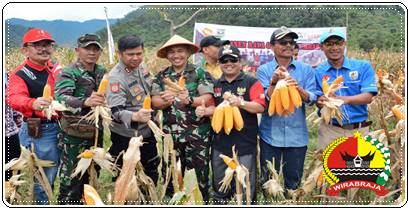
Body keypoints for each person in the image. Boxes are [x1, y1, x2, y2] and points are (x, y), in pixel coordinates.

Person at [199, 44, 265, 203]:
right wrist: (204, 111)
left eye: (232, 60)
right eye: (224, 60)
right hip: (220, 143)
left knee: (245, 187)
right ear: (219, 63)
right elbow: (214, 108)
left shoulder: (251, 82)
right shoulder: (215, 84)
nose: (228, 63)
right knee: (221, 187)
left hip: (245, 144)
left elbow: (260, 106)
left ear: (240, 62)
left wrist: (241, 103)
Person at [151, 35, 214, 200]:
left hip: (197, 135)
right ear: (167, 55)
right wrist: (165, 101)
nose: (176, 55)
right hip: (170, 136)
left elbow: (206, 98)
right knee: (171, 175)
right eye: (171, 52)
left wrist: (190, 100)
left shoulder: (199, 73)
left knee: (199, 176)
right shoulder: (161, 76)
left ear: (187, 53)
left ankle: (201, 202)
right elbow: (155, 101)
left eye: (180, 51)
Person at [256, 26, 317, 192]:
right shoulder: (264, 70)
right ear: (272, 46)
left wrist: (299, 89)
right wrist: (274, 83)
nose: (289, 45)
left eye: (292, 42)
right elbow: (264, 101)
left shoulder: (305, 70)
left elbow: (312, 98)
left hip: (297, 136)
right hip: (270, 135)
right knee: (268, 182)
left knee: (293, 183)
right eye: (283, 42)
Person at [6, 28, 62, 204]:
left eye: (47, 45)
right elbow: (13, 97)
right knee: (44, 177)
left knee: (53, 172)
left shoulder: (56, 69)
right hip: (40, 129)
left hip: (60, 126)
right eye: (37, 45)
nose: (43, 49)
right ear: (25, 50)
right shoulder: (20, 73)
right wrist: (33, 103)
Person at [54, 34, 106, 204]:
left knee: (91, 176)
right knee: (71, 179)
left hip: (95, 133)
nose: (92, 52)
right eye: (87, 48)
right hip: (74, 135)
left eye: (95, 49)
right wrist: (85, 102)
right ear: (78, 50)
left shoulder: (101, 72)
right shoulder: (68, 72)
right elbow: (61, 98)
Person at [106, 35, 159, 182]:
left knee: (150, 169)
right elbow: (116, 111)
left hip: (147, 132)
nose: (136, 58)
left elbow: (150, 87)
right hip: (126, 136)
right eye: (130, 54)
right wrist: (135, 116)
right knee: (127, 175)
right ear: (120, 54)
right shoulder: (116, 78)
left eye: (139, 53)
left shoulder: (141, 67)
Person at [315, 29, 377, 150]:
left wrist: (342, 99)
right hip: (330, 131)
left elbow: (368, 97)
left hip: (359, 130)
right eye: (329, 44)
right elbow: (317, 100)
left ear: (344, 44)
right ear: (321, 47)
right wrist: (321, 101)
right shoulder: (318, 72)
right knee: (326, 168)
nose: (334, 47)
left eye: (338, 43)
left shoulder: (362, 66)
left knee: (358, 168)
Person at [5, 73, 22, 181]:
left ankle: (9, 198)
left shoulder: (5, 76)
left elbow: (12, 102)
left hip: (11, 134)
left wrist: (20, 124)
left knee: (11, 177)